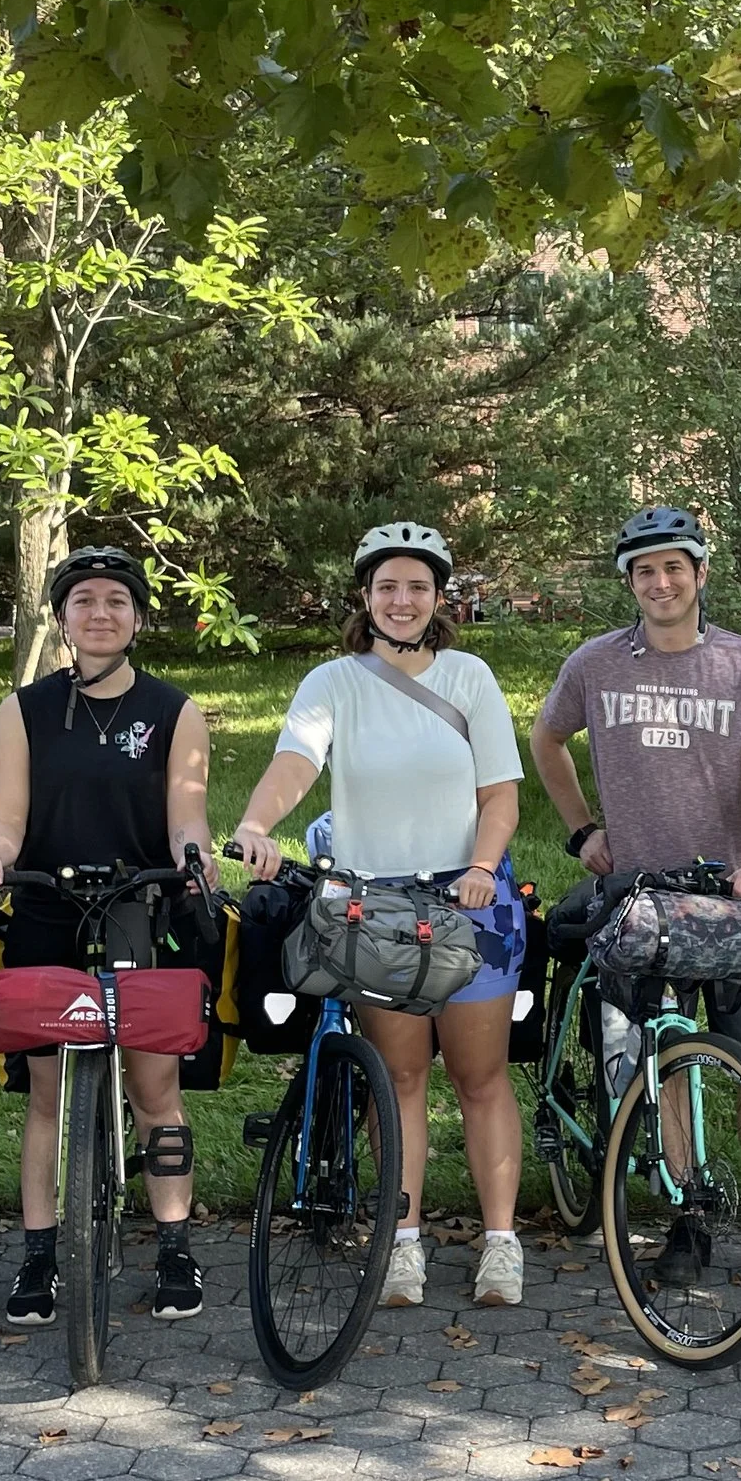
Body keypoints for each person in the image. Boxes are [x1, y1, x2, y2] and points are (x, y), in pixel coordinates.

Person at [234, 524, 528, 1307]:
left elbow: (500, 794)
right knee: (399, 1076)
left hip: (468, 902)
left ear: (440, 598)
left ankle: (501, 1243)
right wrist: (257, 822)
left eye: (418, 587)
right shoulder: (333, 681)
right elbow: (296, 761)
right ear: (365, 596)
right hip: (377, 910)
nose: (402, 600)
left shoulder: (469, 676)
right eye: (388, 586)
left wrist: (480, 867)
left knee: (479, 1076)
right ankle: (403, 1241)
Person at [532, 506, 741, 1276]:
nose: (660, 582)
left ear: (701, 573)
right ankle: (689, 1217)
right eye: (644, 571)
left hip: (729, 897)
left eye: (673, 567)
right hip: (640, 896)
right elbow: (547, 738)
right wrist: (583, 830)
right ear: (629, 582)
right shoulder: (595, 663)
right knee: (665, 1054)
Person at [0, 547, 216, 1326]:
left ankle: (174, 1243)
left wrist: (193, 861)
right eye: (83, 601)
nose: (99, 613)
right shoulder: (25, 709)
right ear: (63, 617)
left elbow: (187, 817)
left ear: (138, 617)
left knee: (154, 1088)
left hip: (137, 904)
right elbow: (5, 815)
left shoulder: (175, 711)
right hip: (45, 905)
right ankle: (39, 1252)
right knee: (46, 1092)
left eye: (116, 600)